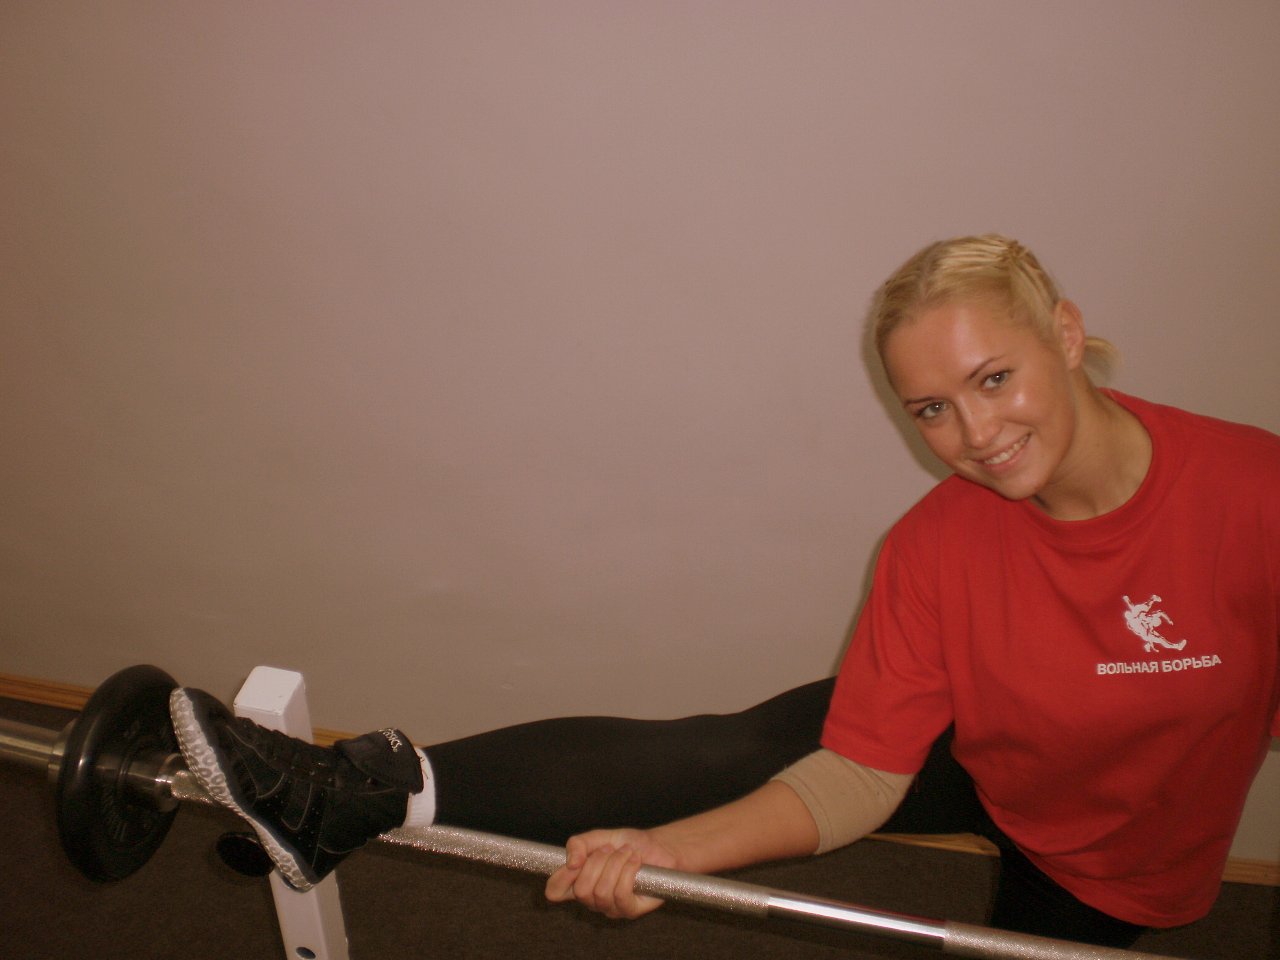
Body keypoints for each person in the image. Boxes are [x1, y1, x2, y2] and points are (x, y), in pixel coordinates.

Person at [169, 234, 1280, 950]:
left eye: (994, 378)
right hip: (983, 738)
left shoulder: (1254, 496)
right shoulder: (933, 545)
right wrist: (676, 851)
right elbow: (860, 773)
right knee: (729, 750)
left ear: (1066, 335)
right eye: (933, 411)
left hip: (1104, 850)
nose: (975, 434)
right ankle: (341, 794)